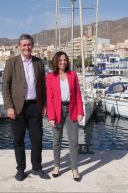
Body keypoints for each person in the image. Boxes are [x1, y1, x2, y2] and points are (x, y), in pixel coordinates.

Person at [2, 34, 49, 181]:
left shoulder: (39, 63)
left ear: (32, 46)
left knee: (37, 139)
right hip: (17, 107)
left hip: (35, 106)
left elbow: (43, 87)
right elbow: (6, 87)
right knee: (19, 140)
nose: (27, 47)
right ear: (19, 46)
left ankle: (36, 168)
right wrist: (9, 107)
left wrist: (45, 104)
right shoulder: (11, 63)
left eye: (29, 45)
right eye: (24, 45)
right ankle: (21, 169)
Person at [46, 51, 84, 182]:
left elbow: (78, 94)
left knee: (73, 142)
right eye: (60, 60)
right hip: (57, 111)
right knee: (56, 141)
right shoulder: (50, 76)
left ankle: (75, 169)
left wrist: (80, 111)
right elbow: (49, 98)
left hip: (71, 109)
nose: (63, 62)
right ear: (56, 62)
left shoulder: (72, 75)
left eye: (65, 60)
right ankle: (57, 166)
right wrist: (51, 117)